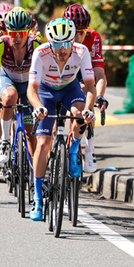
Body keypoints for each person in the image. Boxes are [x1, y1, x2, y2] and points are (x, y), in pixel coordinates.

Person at [27, 18, 96, 221]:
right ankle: (38, 197)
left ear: (73, 40)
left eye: (67, 43)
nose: (63, 49)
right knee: (43, 143)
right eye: (57, 44)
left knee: (80, 112)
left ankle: (74, 148)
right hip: (46, 92)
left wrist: (89, 110)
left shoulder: (81, 51)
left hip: (69, 89)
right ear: (50, 42)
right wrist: (38, 106)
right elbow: (32, 89)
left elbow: (90, 86)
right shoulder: (40, 53)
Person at [0, 7, 44, 171]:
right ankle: (5, 140)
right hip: (8, 80)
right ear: (7, 32)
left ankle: (35, 173)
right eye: (13, 34)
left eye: (22, 33)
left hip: (29, 84)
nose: (18, 38)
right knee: (9, 96)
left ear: (29, 31)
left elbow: (45, 75)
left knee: (30, 134)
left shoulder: (36, 44)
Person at [63, 4, 108, 172]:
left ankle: (90, 150)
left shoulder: (94, 37)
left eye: (83, 32)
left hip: (83, 73)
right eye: (75, 32)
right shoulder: (60, 35)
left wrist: (100, 96)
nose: (79, 36)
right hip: (63, 74)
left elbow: (100, 74)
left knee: (89, 95)